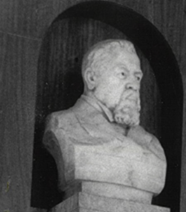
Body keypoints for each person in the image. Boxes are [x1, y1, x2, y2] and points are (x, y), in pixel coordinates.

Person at [44, 39, 166, 197]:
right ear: (91, 78)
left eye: (137, 77)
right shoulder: (63, 123)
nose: (133, 85)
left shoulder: (152, 145)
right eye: (122, 74)